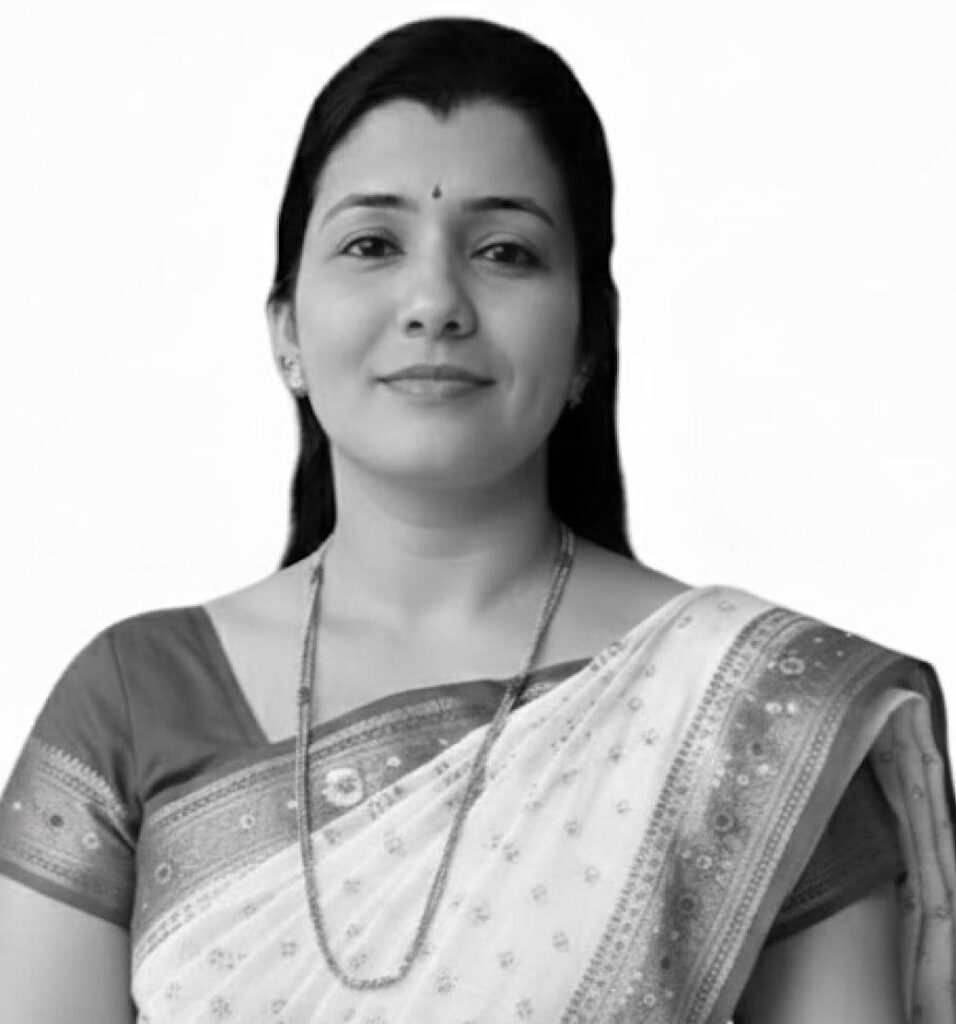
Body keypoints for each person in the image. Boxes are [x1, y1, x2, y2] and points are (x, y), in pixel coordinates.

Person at [0, 16, 953, 1023]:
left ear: (586, 342)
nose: (434, 302)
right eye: (372, 244)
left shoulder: (755, 719)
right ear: (286, 332)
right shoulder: (132, 700)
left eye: (504, 251)